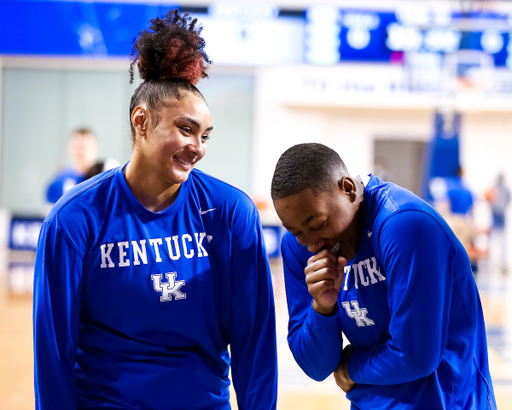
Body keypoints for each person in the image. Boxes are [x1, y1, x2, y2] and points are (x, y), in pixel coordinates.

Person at [33, 10, 277, 410]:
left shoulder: (232, 213)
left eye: (205, 135)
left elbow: (255, 342)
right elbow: (54, 351)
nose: (197, 146)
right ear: (141, 121)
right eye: (185, 129)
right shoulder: (74, 220)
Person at [271, 143, 496, 410]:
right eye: (295, 231)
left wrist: (350, 368)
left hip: (446, 401)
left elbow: (415, 357)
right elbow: (316, 366)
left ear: (348, 189)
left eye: (318, 224)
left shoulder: (404, 224)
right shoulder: (297, 248)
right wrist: (322, 309)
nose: (310, 244)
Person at [46, 128, 97, 203]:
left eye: (85, 147)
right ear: (69, 148)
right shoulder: (58, 183)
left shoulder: (103, 180)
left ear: (94, 148)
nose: (81, 152)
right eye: (77, 147)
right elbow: (50, 211)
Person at [486, 172, 511, 274]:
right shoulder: (493, 189)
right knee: (493, 241)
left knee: (501, 241)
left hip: (500, 217)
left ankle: (501, 264)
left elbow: (508, 200)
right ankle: (492, 263)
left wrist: (499, 207)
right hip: (495, 217)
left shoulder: (503, 190)